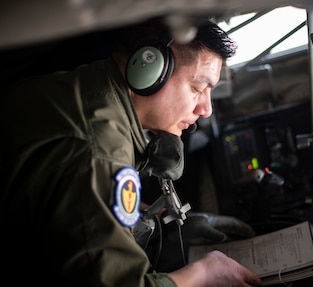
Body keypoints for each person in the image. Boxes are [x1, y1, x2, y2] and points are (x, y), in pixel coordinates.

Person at [0, 16, 262, 287]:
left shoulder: (92, 87)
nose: (206, 109)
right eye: (197, 88)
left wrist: (155, 216)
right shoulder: (100, 148)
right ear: (150, 68)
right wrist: (205, 274)